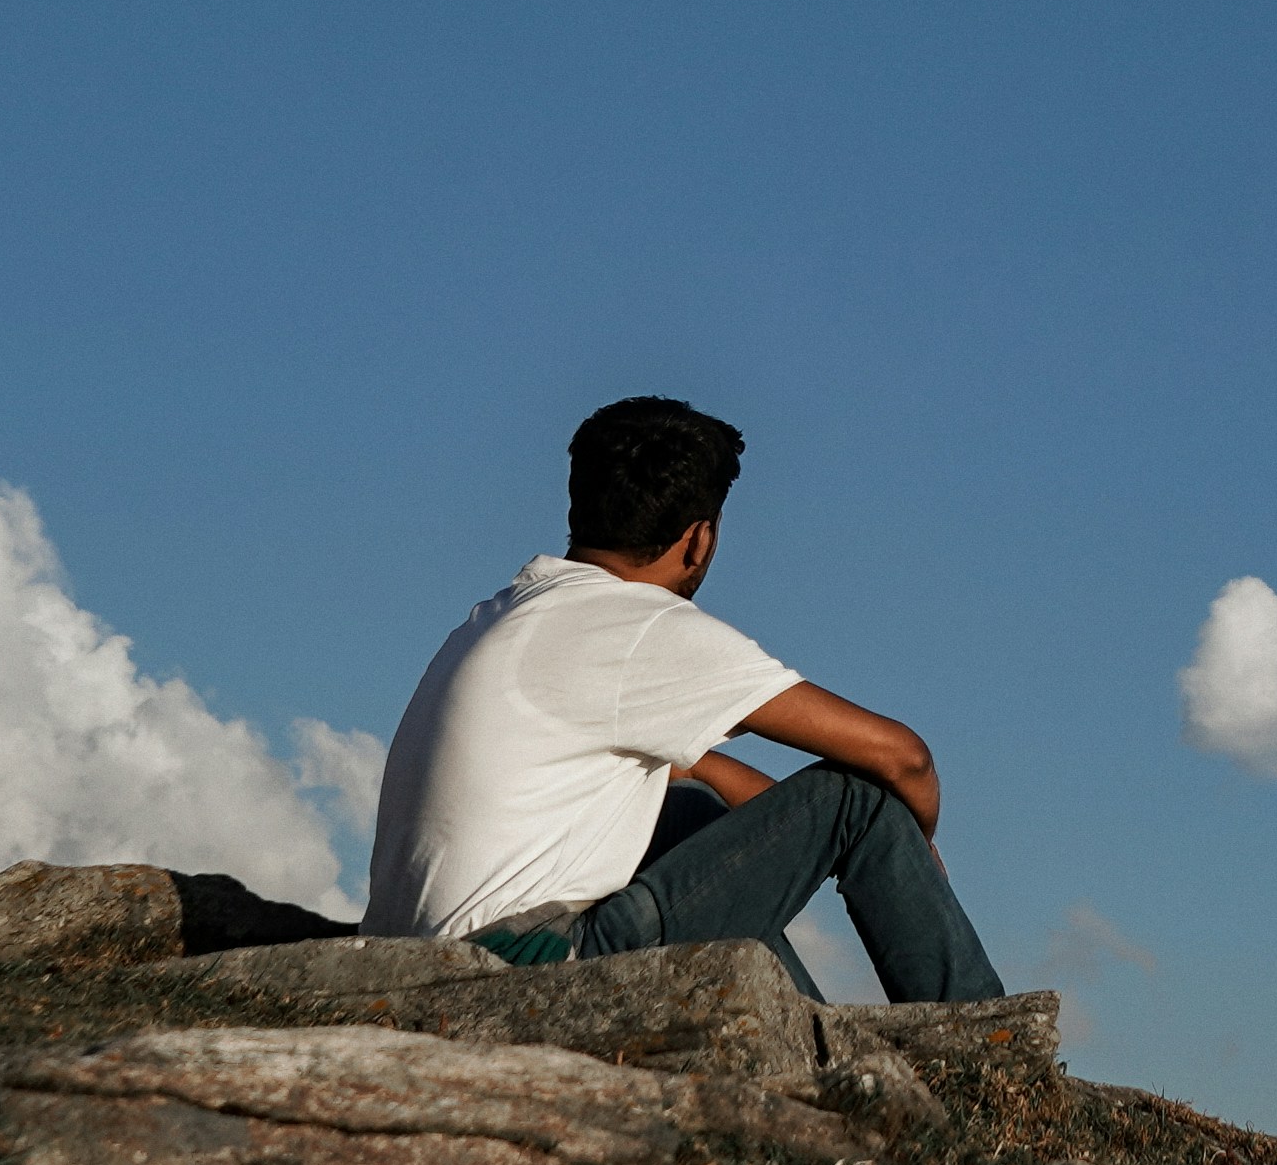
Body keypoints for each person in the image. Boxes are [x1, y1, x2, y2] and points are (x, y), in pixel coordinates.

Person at [360, 394, 1005, 1004]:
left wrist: (790, 844)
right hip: (529, 966)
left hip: (424, 962)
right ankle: (986, 1056)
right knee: (861, 795)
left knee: (686, 810)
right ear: (700, 538)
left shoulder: (501, 615)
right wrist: (906, 843)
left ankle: (812, 1033)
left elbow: (686, 769)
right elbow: (904, 758)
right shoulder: (639, 627)